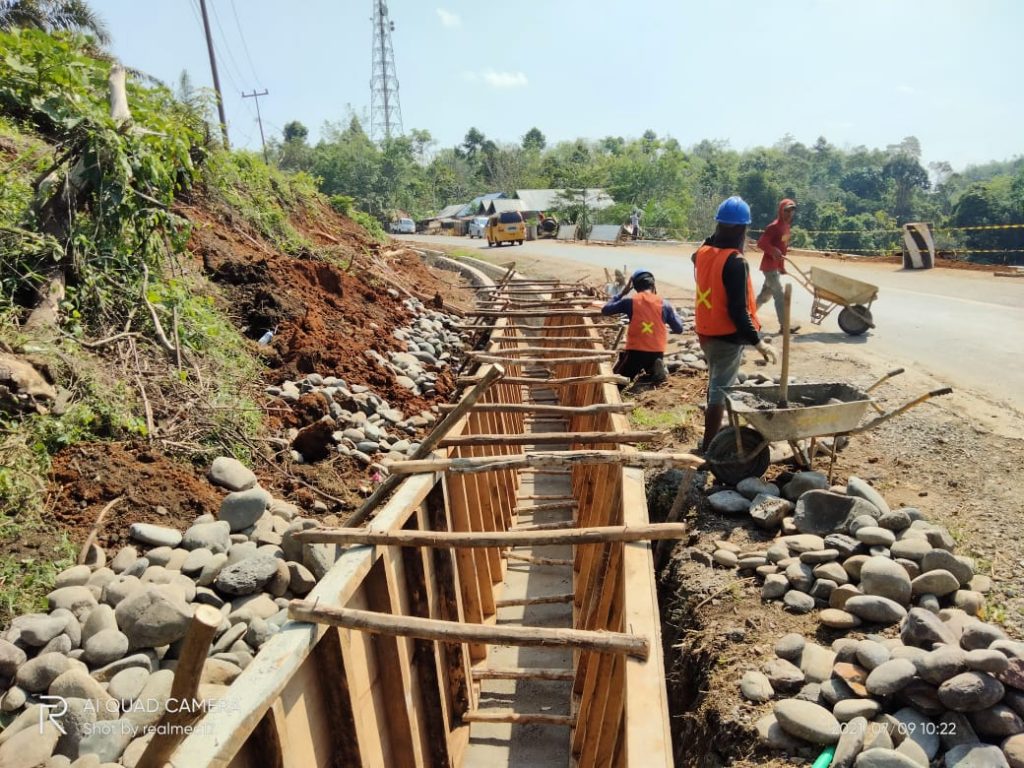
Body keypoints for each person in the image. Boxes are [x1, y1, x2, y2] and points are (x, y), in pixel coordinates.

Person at [693, 196, 777, 452]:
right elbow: (738, 312)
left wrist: (716, 235)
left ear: (718, 225)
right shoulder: (736, 262)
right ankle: (710, 448)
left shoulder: (702, 254)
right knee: (719, 390)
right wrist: (759, 343)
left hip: (706, 333)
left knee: (716, 383)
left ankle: (714, 436)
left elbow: (699, 250)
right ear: (743, 229)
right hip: (727, 336)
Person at [601, 268, 683, 383]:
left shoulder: (630, 301)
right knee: (634, 360)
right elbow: (679, 329)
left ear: (634, 287)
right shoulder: (664, 304)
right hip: (657, 351)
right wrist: (673, 312)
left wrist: (622, 293)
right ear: (653, 284)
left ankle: (650, 369)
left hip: (636, 352)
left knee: (616, 383)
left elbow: (605, 310)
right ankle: (655, 367)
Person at [755, 198, 800, 332]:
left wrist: (782, 266)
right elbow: (761, 243)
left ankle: (746, 315)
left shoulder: (786, 227)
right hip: (769, 267)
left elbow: (783, 249)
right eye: (786, 211)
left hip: (775, 267)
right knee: (779, 294)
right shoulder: (773, 226)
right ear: (781, 211)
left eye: (792, 211)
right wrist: (773, 250)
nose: (789, 214)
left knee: (764, 296)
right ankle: (784, 326)